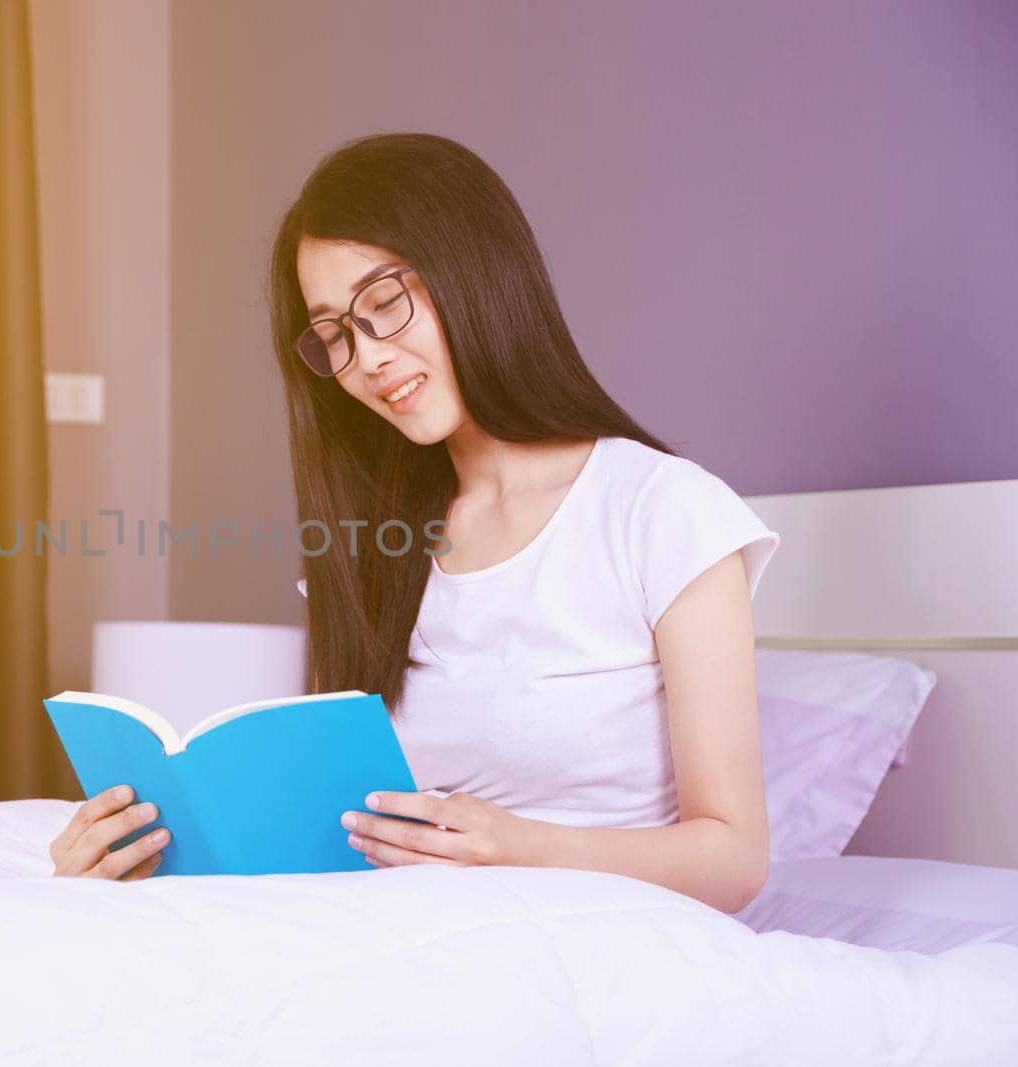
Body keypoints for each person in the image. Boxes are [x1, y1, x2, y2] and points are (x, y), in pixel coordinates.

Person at [49, 132, 779, 912]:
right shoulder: (374, 543)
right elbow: (334, 823)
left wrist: (515, 846)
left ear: (474, 267)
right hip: (410, 937)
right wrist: (149, 851)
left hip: (605, 939)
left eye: (384, 303)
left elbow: (735, 857)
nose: (365, 360)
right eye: (333, 333)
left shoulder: (662, 510)